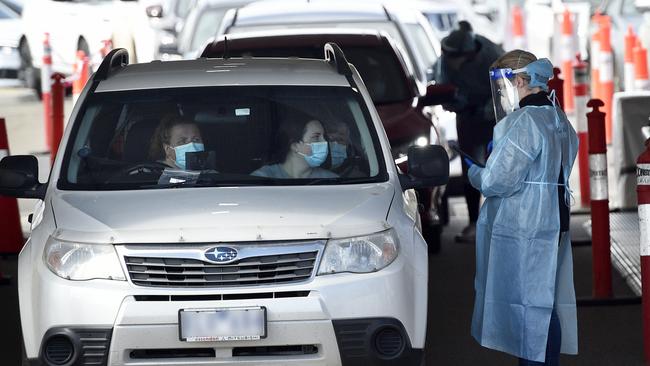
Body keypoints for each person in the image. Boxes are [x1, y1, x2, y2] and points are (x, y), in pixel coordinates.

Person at [465, 50, 579, 365]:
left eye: (511, 82)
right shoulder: (558, 117)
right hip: (556, 219)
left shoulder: (525, 121)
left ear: (519, 80)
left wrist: (474, 171)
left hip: (529, 223)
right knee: (544, 303)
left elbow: (497, 181)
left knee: (530, 306)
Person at [433, 20, 504, 243]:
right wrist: (453, 101)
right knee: (470, 167)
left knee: (499, 168)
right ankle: (474, 222)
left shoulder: (493, 57)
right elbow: (444, 85)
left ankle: (500, 222)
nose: (449, 62)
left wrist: (483, 108)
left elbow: (505, 94)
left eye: (453, 58)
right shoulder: (447, 58)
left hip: (493, 119)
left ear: (469, 54)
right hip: (466, 117)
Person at [252, 116, 338, 179]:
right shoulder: (262, 179)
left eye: (324, 137)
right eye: (316, 137)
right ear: (294, 145)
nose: (324, 142)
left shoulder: (332, 180)